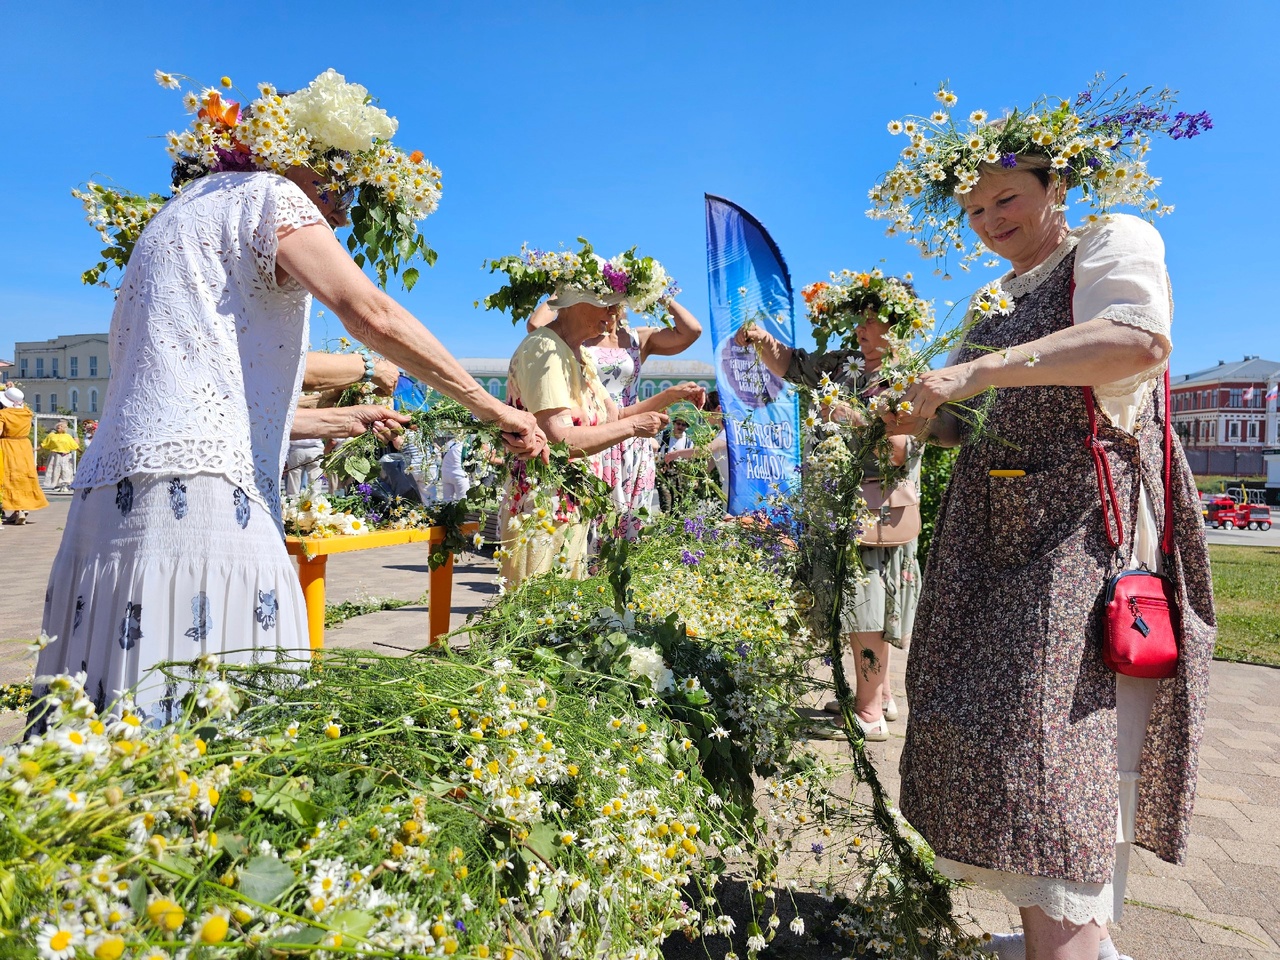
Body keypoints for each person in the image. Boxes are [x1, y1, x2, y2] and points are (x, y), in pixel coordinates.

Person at [35, 69, 546, 718]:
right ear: (301, 164)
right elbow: (371, 314)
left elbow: (202, 394)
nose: (339, 213)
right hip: (201, 503)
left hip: (112, 494)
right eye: (338, 192)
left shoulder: (174, 221)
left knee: (108, 711)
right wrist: (494, 406)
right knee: (216, 707)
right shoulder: (270, 195)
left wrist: (345, 418)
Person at [873, 87, 1215, 960]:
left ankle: (1069, 941)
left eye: (1006, 198)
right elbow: (965, 419)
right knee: (985, 733)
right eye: (975, 208)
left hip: (1078, 534)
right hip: (995, 537)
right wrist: (910, 415)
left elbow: (1135, 342)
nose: (990, 220)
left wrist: (978, 371)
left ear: (1055, 187)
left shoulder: (1111, 242)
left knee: (1048, 739)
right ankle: (1055, 936)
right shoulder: (996, 300)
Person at [736, 282, 922, 740]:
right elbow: (796, 366)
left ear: (899, 326)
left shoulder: (909, 375)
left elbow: (900, 451)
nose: (860, 328)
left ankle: (868, 713)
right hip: (843, 507)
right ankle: (880, 694)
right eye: (858, 318)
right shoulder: (841, 364)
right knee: (870, 606)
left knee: (867, 609)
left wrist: (853, 418)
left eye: (871, 319)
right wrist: (762, 341)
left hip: (875, 513)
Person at [500, 294, 675, 585]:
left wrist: (670, 396)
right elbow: (560, 440)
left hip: (569, 504)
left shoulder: (578, 355)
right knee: (537, 610)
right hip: (540, 506)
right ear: (573, 301)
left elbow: (612, 417)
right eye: (606, 301)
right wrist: (634, 427)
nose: (615, 311)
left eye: (618, 304)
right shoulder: (545, 349)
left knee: (561, 614)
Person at [528, 301, 705, 539]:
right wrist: (567, 285)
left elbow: (692, 331)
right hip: (591, 436)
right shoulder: (576, 339)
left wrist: (658, 292)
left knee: (630, 524)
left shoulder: (636, 338)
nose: (609, 307)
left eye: (614, 299)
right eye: (601, 299)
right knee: (591, 521)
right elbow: (535, 325)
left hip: (633, 436)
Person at [0, 387, 49, 524]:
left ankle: (17, 509)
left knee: (9, 476)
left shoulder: (3, 414)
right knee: (23, 476)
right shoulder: (27, 413)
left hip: (8, 445)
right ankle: (21, 509)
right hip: (24, 445)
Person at [42, 420, 82, 493]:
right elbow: (44, 443)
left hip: (65, 455)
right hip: (55, 455)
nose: (59, 427)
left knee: (66, 470)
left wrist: (81, 451)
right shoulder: (52, 435)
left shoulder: (68, 436)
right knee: (55, 470)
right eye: (58, 426)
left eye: (61, 426)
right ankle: (57, 485)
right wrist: (35, 449)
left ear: (64, 428)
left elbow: (74, 445)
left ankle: (65, 484)